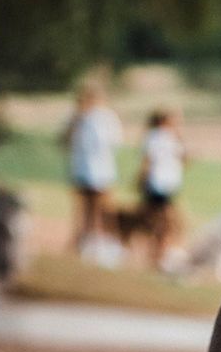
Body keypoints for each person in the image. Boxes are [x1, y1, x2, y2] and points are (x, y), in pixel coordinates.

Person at [63, 86, 123, 259]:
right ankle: (84, 242)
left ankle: (105, 243)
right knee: (83, 208)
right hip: (81, 168)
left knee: (102, 208)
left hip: (102, 170)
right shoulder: (76, 118)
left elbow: (113, 143)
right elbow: (65, 141)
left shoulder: (106, 118)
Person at [137, 109, 186, 268]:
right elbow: (148, 160)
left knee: (163, 221)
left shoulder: (165, 137)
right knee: (165, 221)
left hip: (165, 184)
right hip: (158, 184)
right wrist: (143, 179)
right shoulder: (159, 136)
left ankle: (158, 254)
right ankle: (158, 254)